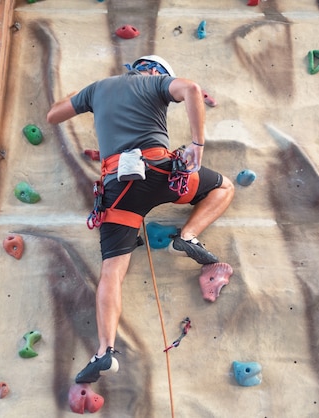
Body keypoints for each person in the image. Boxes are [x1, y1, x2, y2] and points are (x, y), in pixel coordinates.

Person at [46, 55, 234, 384]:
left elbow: (53, 114)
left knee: (112, 273)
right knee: (223, 187)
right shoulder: (155, 81)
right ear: (155, 70)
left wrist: (86, 96)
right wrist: (197, 145)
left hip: (118, 188)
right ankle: (188, 235)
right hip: (161, 173)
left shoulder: (97, 90)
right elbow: (190, 88)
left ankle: (105, 351)